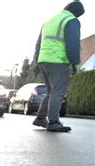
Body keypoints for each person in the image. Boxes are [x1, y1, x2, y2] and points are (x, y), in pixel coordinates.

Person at [32, 1, 84, 132]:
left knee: (50, 91)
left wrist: (37, 62)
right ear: (77, 13)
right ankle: (54, 122)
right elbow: (73, 44)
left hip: (43, 60)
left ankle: (40, 118)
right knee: (58, 92)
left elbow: (38, 44)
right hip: (58, 61)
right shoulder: (71, 20)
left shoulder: (50, 21)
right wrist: (74, 63)